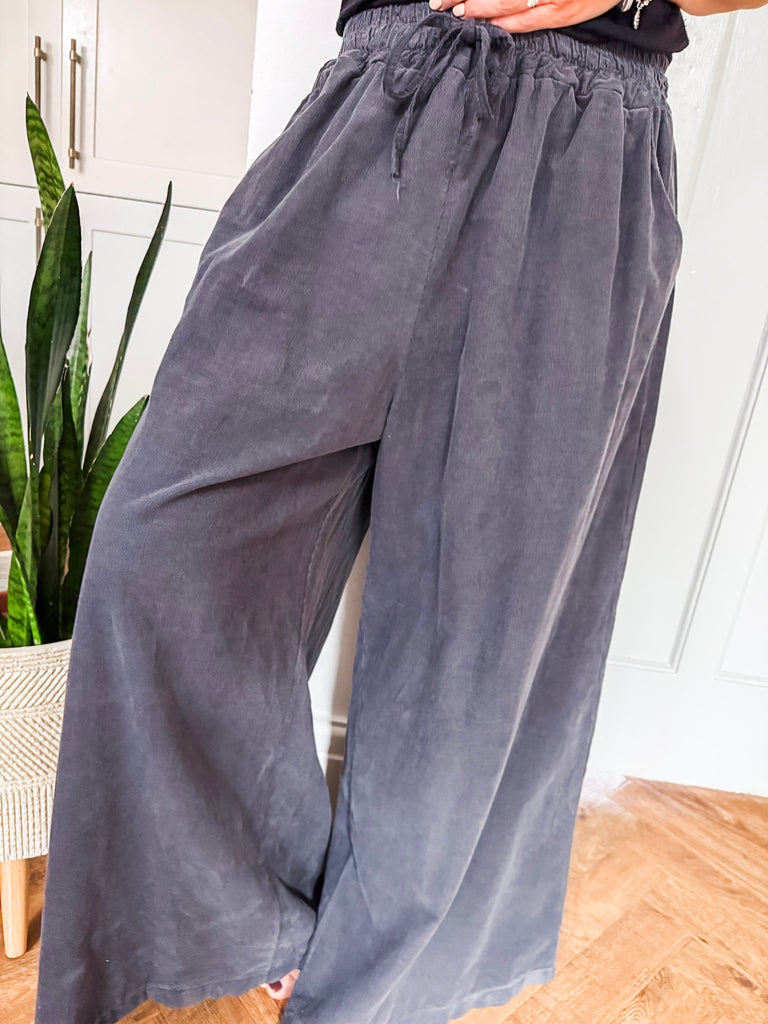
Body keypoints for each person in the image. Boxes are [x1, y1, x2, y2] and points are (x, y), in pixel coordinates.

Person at [31, 1, 758, 1023]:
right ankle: (261, 914)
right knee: (157, 556)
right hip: (380, 98)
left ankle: (368, 995)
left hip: (587, 151)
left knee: (475, 665)